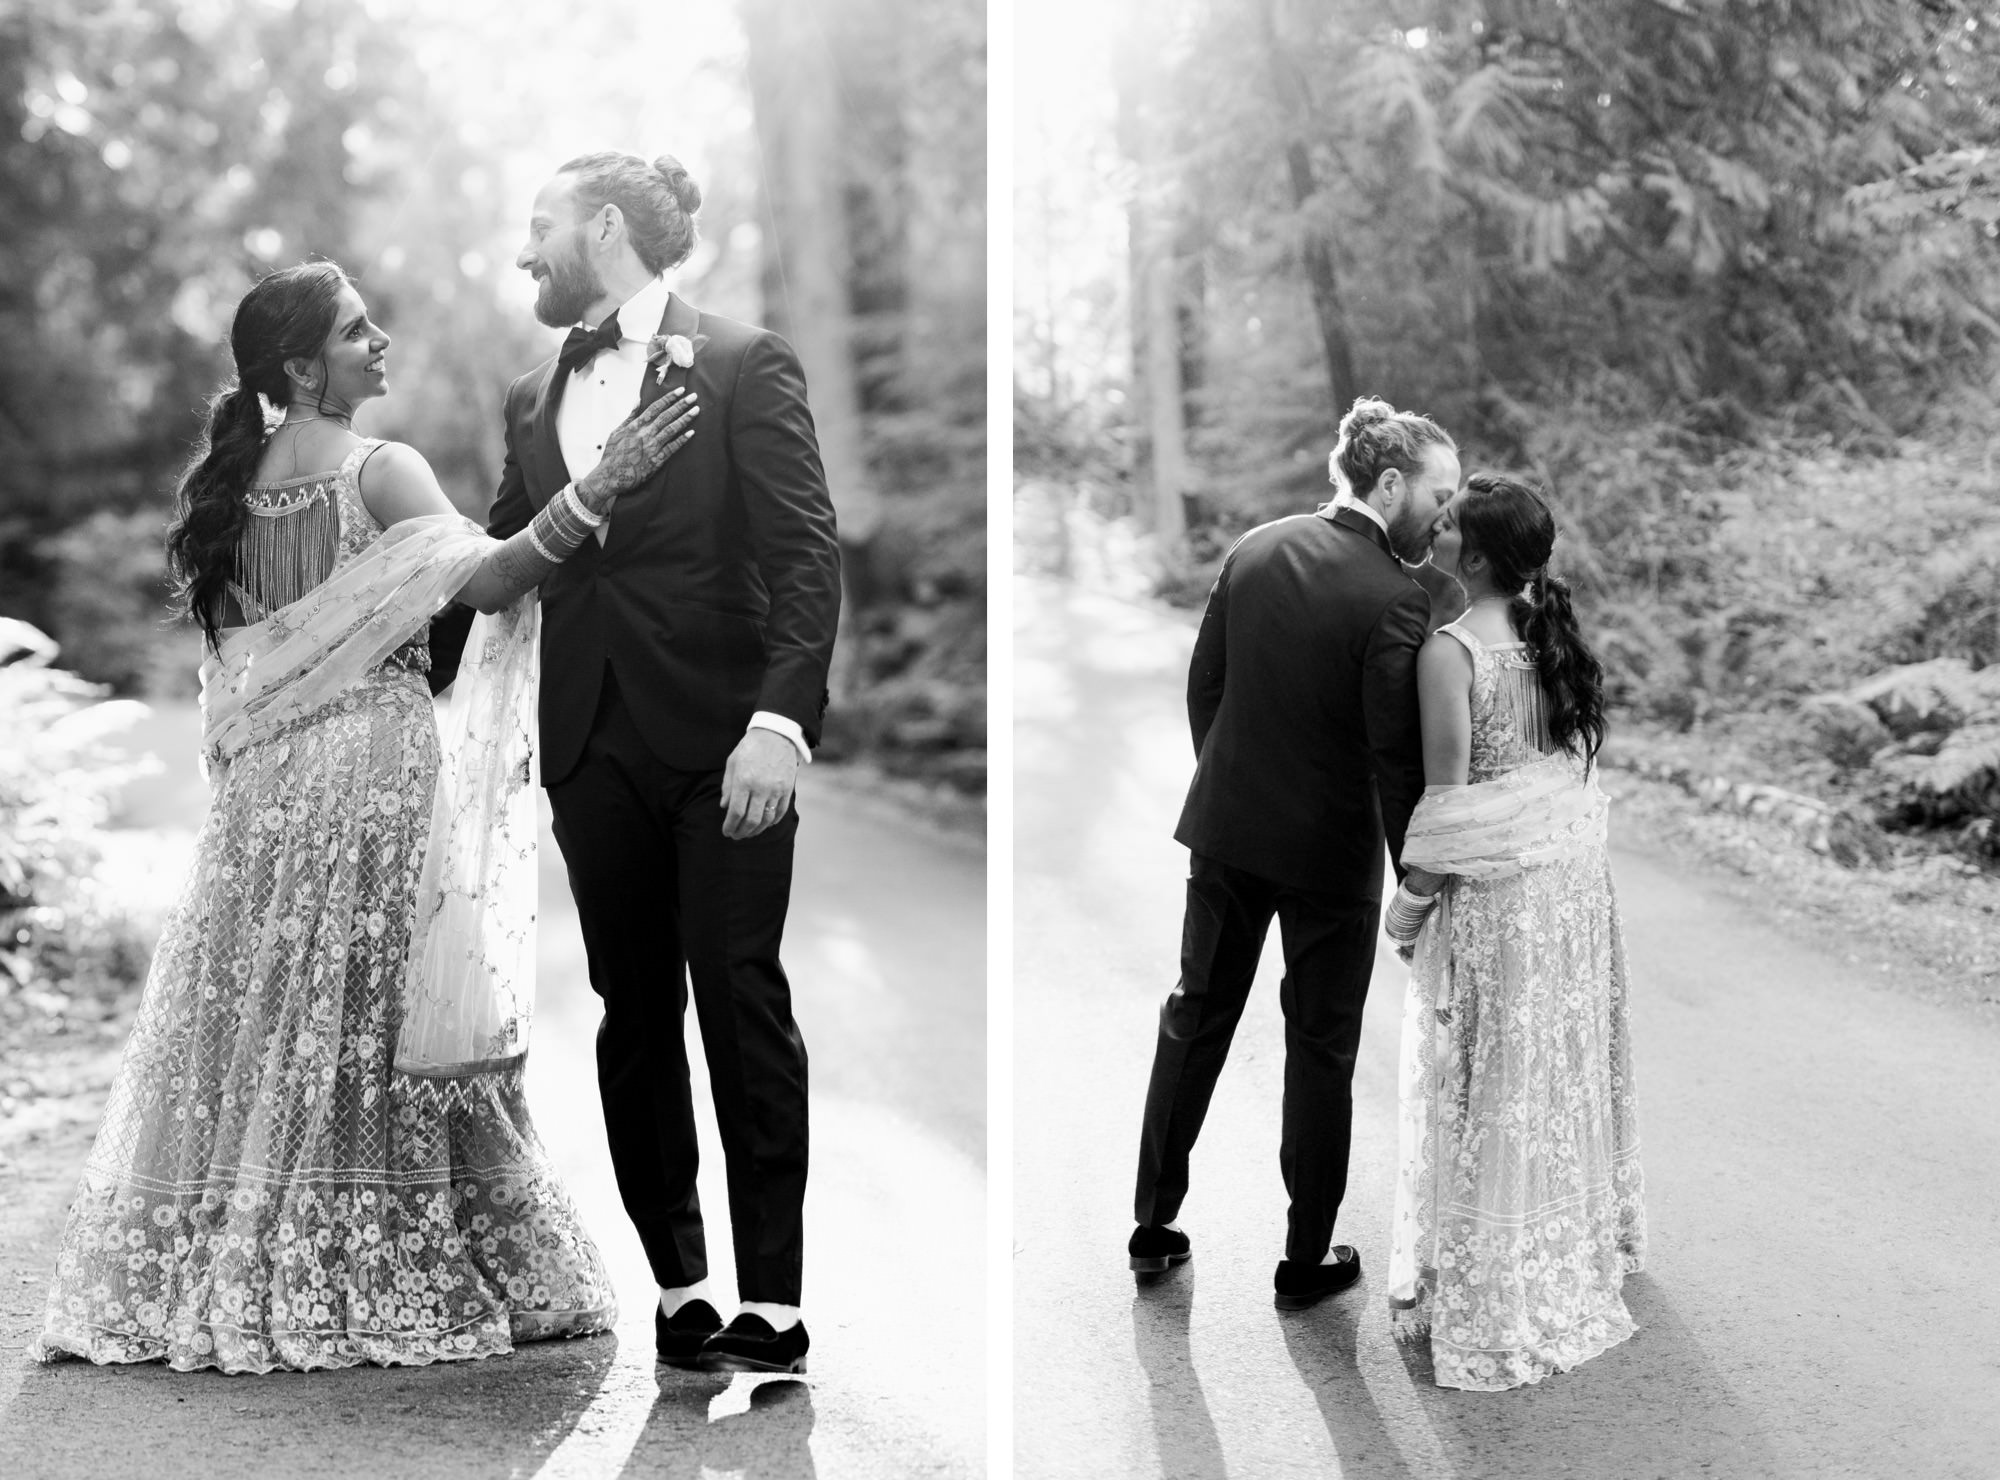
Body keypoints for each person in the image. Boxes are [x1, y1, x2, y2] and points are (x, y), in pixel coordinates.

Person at [32, 259, 695, 1373]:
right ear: (302, 365)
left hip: (263, 792)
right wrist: (599, 486)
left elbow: (241, 667)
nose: (379, 339)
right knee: (374, 1010)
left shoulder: (223, 491)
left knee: (265, 1014)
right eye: (355, 331)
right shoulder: (379, 469)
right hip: (372, 771)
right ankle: (368, 1244)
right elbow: (489, 581)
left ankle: (238, 1241)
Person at [478, 152, 841, 1375]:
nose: (524, 251)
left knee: (740, 998)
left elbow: (805, 558)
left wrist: (779, 725)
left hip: (725, 743)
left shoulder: (742, 362)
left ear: (605, 226)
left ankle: (775, 1304)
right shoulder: (531, 398)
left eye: (538, 226)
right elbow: (492, 562)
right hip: (589, 745)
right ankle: (682, 1290)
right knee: (632, 1012)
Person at [1129, 396, 1459, 1310]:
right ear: (1390, 484)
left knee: (1196, 1014)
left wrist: (1235, 788)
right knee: (1320, 1048)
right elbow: (1396, 762)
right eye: (1440, 491)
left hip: (1228, 834)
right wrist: (1416, 882)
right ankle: (1304, 1256)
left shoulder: (1256, 546)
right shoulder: (1396, 598)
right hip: (1330, 858)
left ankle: (1153, 1226)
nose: (1449, 511)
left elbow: (1207, 689)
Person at [1383, 472, 1647, 1391]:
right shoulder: (1551, 635)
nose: (1436, 526)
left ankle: (1501, 1282)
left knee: (1492, 1070)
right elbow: (1556, 774)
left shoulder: (1451, 652)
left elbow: (1453, 806)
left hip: (1501, 898)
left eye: (1448, 522)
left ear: (1479, 555)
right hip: (1572, 888)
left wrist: (1410, 902)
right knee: (1550, 1066)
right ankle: (1564, 1243)